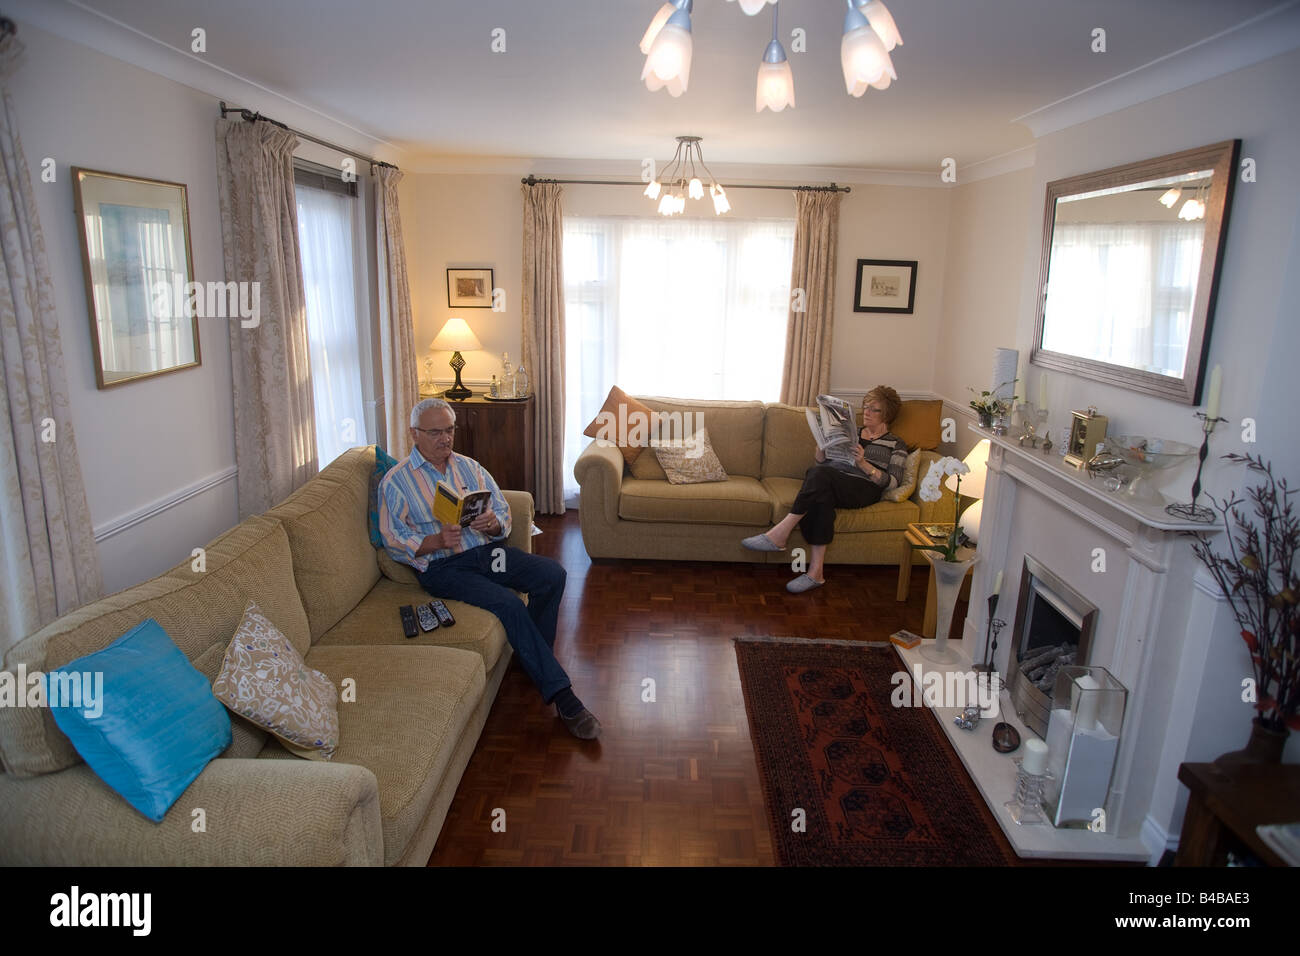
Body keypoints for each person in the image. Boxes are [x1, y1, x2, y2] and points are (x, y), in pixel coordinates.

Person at [379, 398, 600, 739]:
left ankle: (533, 657)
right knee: (509, 603)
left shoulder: (470, 467)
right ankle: (563, 697)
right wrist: (436, 541)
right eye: (435, 432)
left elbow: (504, 516)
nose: (445, 439)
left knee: (552, 575)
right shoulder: (396, 482)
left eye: (449, 430)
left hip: (488, 553)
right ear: (414, 434)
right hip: (445, 567)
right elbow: (393, 539)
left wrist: (493, 524)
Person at [742, 386, 909, 593]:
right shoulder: (852, 433)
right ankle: (815, 574)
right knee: (820, 487)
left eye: (873, 409)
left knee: (819, 476)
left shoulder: (896, 444)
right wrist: (822, 449)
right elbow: (822, 463)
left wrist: (864, 464)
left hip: (863, 487)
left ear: (887, 414)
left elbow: (894, 482)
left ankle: (780, 534)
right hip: (831, 479)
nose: (865, 412)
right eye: (865, 406)